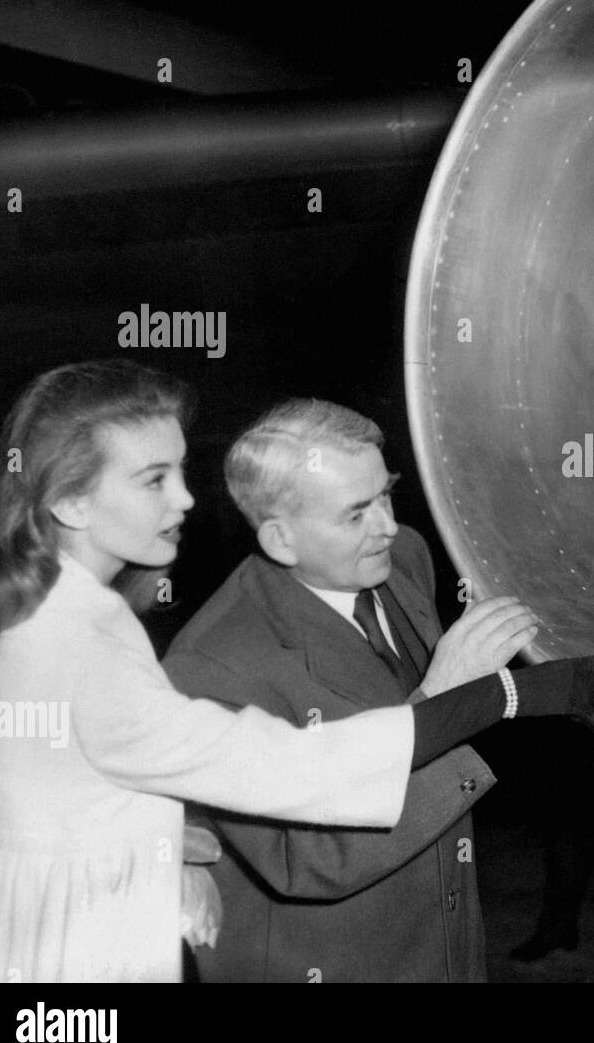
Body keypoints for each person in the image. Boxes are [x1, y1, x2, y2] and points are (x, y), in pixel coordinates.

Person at [0, 360, 594, 982]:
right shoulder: (178, 655)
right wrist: (477, 696)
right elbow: (294, 782)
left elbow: (36, 792)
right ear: (74, 504)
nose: (188, 500)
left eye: (180, 469)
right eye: (153, 479)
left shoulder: (28, 611)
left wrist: (163, 845)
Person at [164, 399, 550, 981]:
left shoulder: (400, 557)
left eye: (386, 494)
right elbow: (310, 860)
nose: (388, 526)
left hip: (443, 947)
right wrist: (445, 698)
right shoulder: (210, 668)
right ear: (280, 540)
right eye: (356, 513)